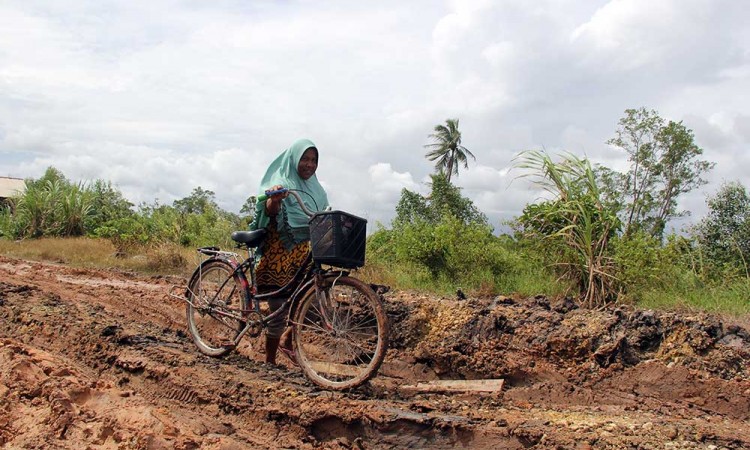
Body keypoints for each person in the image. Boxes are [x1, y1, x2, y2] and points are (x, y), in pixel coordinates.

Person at [249, 138, 329, 365]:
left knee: (308, 300)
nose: (309, 164)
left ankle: (286, 340)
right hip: (278, 254)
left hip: (302, 253)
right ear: (294, 158)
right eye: (305, 158)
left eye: (314, 160)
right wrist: (274, 199)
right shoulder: (281, 180)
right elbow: (270, 209)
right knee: (278, 310)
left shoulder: (317, 189)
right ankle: (270, 361)